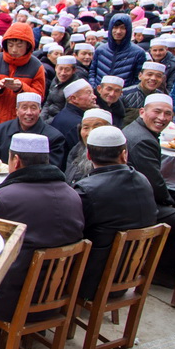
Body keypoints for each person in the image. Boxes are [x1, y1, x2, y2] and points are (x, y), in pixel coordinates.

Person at [0, 133, 85, 349]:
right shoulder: (73, 195)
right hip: (59, 295)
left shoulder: (6, 197)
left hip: (11, 300)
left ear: (15, 161)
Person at [71, 126, 157, 299]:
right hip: (128, 276)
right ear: (124, 154)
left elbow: (70, 234)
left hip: (90, 284)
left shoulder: (86, 190)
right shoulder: (143, 180)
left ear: (88, 156)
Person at [122, 94, 175, 284]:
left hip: (137, 192)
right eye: (157, 112)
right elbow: (154, 184)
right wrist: (169, 203)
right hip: (135, 203)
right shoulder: (142, 140)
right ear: (142, 112)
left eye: (167, 114)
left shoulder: (139, 130)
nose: (162, 118)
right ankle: (160, 270)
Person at [0, 23, 46, 149]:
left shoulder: (36, 66)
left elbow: (39, 97)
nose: (14, 50)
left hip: (20, 125)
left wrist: (21, 88)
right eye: (10, 45)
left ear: (28, 46)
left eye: (19, 46)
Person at [0, 92, 67, 168]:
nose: (29, 112)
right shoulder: (1, 130)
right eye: (24, 108)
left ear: (40, 111)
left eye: (33, 108)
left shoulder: (54, 137)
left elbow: (51, 168)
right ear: (17, 111)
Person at [89, 14, 146, 88]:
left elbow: (138, 78)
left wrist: (127, 94)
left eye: (122, 28)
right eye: (115, 27)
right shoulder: (100, 50)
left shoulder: (138, 53)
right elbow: (92, 73)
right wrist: (95, 88)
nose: (118, 31)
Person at [63, 108, 113, 183]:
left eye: (97, 127)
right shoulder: (76, 151)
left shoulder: (115, 155)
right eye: (86, 128)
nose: (90, 133)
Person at [121, 61, 167, 126]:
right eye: (149, 74)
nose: (153, 78)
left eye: (158, 76)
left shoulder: (162, 98)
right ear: (140, 76)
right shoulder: (124, 94)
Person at [41, 55, 79, 122]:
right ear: (56, 68)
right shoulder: (55, 80)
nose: (63, 73)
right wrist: (42, 118)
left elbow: (67, 112)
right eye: (60, 69)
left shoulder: (75, 87)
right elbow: (48, 102)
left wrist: (46, 123)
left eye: (67, 70)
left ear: (74, 71)